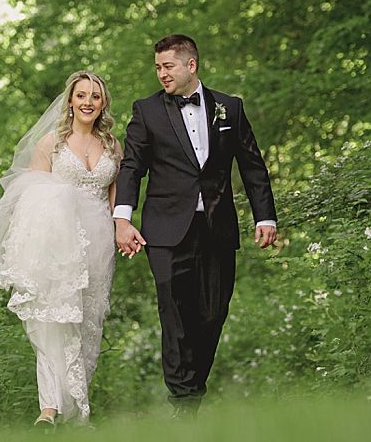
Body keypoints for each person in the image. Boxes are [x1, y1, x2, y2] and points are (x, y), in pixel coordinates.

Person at [113, 34, 278, 417]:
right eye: (157, 68)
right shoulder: (146, 111)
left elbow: (252, 165)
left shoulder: (229, 108)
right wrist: (122, 219)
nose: (161, 74)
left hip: (217, 228)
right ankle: (183, 401)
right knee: (175, 313)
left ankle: (193, 390)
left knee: (212, 313)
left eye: (167, 66)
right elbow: (132, 167)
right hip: (165, 231)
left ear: (191, 65)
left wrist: (265, 216)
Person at [0, 71, 121, 428]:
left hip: (100, 244)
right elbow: (28, 195)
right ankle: (49, 410)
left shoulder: (112, 146)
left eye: (95, 96)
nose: (88, 102)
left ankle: (76, 409)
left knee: (89, 325)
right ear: (70, 101)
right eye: (81, 95)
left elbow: (113, 197)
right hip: (60, 243)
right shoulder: (52, 144)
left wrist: (120, 228)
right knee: (54, 321)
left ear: (103, 103)